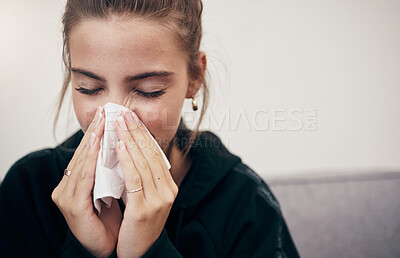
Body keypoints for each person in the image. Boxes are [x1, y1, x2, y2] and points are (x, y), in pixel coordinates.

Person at [0, 0, 299, 257]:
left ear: (194, 77)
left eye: (148, 90)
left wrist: (149, 251)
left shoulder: (244, 204)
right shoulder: (28, 191)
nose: (113, 118)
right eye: (88, 88)